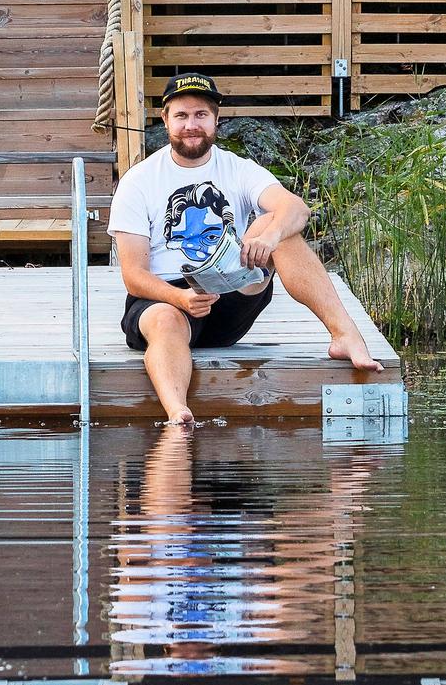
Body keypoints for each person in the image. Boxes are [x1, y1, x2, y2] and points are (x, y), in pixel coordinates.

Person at [108, 73, 381, 428]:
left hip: (225, 291)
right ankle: (178, 412)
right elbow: (134, 276)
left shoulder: (237, 168)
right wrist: (180, 299)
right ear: (165, 120)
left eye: (201, 115)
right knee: (165, 319)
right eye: (182, 116)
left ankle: (345, 335)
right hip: (163, 300)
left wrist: (270, 236)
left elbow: (296, 208)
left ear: (216, 120)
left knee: (280, 227)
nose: (192, 125)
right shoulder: (139, 181)